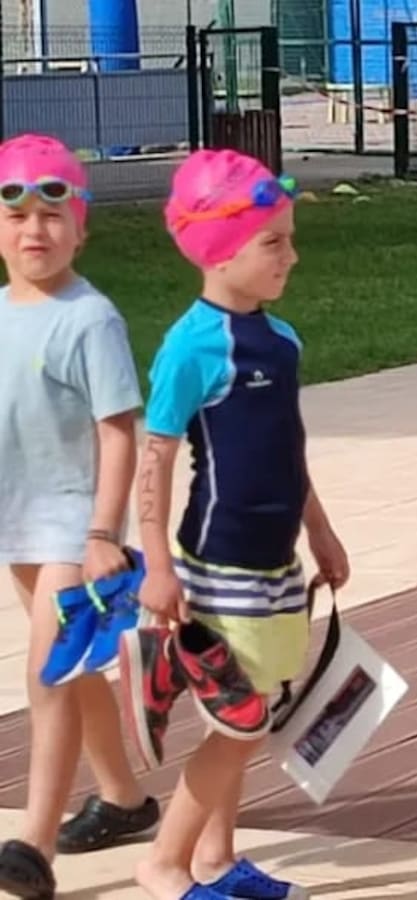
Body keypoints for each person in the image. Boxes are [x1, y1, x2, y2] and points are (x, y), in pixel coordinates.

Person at [124, 148, 349, 900]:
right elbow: (155, 459)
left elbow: (287, 448)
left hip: (276, 561)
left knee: (253, 712)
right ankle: (165, 863)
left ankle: (217, 858)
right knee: (241, 722)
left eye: (290, 239)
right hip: (220, 563)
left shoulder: (281, 342)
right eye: (273, 242)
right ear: (218, 251)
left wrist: (320, 530)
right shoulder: (192, 347)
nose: (291, 256)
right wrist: (157, 565)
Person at [0, 133, 159, 897]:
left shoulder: (90, 319)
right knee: (72, 664)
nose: (35, 230)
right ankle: (124, 798)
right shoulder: (4, 312)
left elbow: (118, 430)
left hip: (74, 524)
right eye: (17, 215)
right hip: (20, 522)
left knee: (49, 674)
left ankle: (34, 842)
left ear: (81, 228)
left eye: (53, 215)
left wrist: (103, 532)